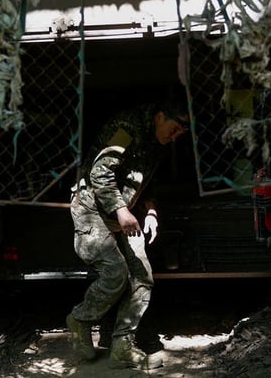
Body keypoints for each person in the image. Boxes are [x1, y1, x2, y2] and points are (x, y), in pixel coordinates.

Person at [66, 91, 190, 370]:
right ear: (160, 116)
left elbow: (146, 178)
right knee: (115, 273)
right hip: (93, 209)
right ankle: (81, 319)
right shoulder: (127, 128)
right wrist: (122, 211)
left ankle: (122, 344)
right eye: (173, 130)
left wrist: (151, 210)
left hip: (122, 213)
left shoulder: (156, 139)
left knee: (142, 276)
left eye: (179, 134)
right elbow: (100, 173)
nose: (174, 137)